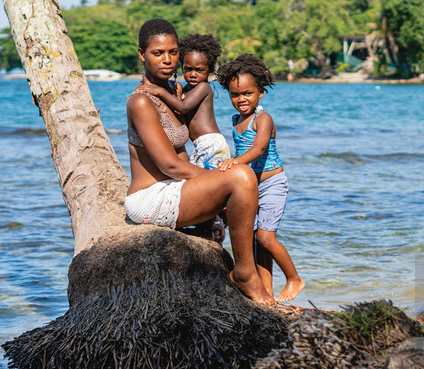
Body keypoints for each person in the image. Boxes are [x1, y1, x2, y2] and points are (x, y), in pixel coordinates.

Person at [125, 19, 275, 305]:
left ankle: (251, 271)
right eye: (158, 53)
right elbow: (170, 165)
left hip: (176, 187)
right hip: (150, 197)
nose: (167, 60)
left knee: (243, 187)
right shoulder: (141, 102)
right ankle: (245, 274)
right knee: (240, 176)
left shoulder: (175, 90)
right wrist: (218, 177)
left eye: (172, 52)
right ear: (142, 54)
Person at [216, 54, 305, 302]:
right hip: (252, 186)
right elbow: (244, 153)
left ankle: (295, 278)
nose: (241, 99)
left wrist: (234, 163)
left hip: (273, 184)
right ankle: (267, 291)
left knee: (266, 237)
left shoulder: (262, 119)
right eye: (235, 95)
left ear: (260, 93)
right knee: (256, 240)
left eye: (247, 93)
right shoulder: (236, 120)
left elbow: (259, 149)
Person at [137, 33, 230, 241]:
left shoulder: (203, 88)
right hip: (201, 145)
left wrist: (159, 92)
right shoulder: (186, 88)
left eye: (199, 70)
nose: (193, 74)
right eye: (188, 69)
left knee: (209, 187)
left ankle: (210, 226)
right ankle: (206, 225)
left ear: (209, 72)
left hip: (211, 144)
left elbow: (183, 106)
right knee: (202, 187)